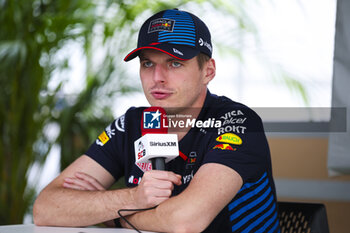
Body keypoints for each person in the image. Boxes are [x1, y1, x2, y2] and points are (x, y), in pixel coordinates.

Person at [33, 8, 280, 232]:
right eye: (148, 63)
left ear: (208, 71)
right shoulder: (131, 123)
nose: (157, 77)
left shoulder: (238, 122)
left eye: (175, 63)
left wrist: (113, 215)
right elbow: (45, 209)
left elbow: (184, 221)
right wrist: (132, 200)